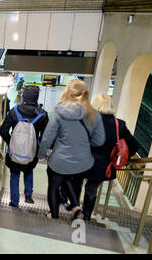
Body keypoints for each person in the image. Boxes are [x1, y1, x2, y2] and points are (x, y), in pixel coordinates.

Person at [38, 79, 105, 220]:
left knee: (54, 183)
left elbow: (47, 137)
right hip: (83, 163)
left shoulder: (59, 110)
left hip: (60, 160)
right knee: (67, 176)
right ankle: (76, 207)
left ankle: (54, 215)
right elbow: (99, 141)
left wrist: (42, 154)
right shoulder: (94, 114)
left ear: (68, 92)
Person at [75, 93, 138, 220]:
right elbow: (134, 146)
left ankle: (74, 208)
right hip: (103, 165)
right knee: (91, 189)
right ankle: (86, 216)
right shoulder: (119, 125)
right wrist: (125, 158)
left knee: (76, 184)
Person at [0, 86, 49, 208]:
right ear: (36, 97)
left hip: (14, 152)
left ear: (24, 96)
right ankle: (28, 196)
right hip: (31, 152)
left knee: (14, 174)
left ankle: (14, 202)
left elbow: (3, 130)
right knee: (28, 170)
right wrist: (39, 150)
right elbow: (45, 137)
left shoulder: (14, 111)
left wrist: (11, 142)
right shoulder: (42, 115)